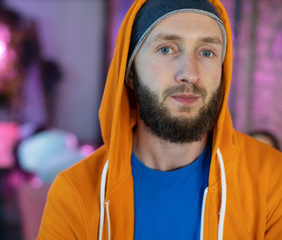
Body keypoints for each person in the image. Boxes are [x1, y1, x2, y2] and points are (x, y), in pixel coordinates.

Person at [37, 0, 282, 239]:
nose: (190, 74)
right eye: (166, 49)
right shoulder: (74, 192)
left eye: (207, 52)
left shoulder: (273, 180)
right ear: (130, 72)